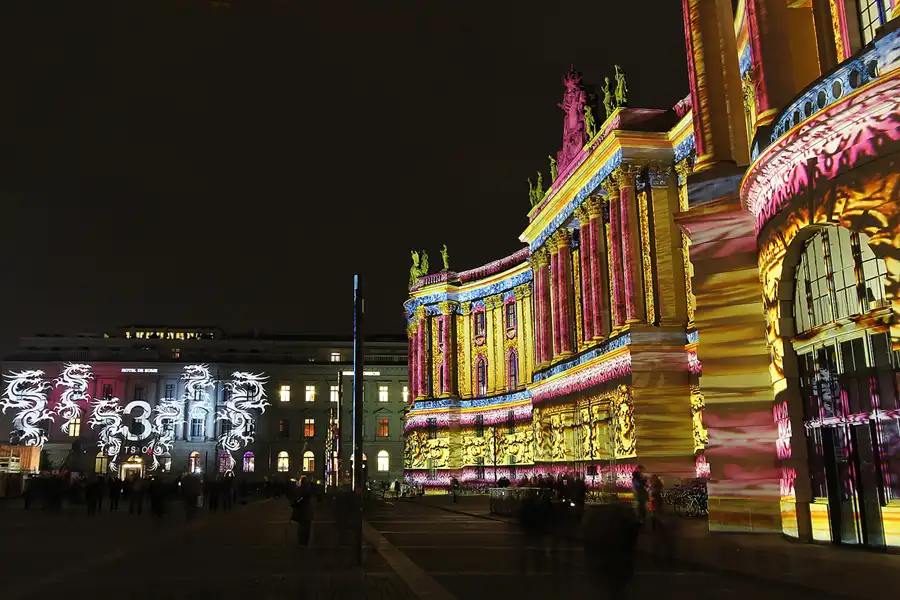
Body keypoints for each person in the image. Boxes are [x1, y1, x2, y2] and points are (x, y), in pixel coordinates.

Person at [291, 480, 315, 548]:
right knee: (306, 526)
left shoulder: (301, 491)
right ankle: (304, 541)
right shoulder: (307, 490)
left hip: (303, 511)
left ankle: (302, 541)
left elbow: (297, 500)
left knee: (303, 526)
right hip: (306, 511)